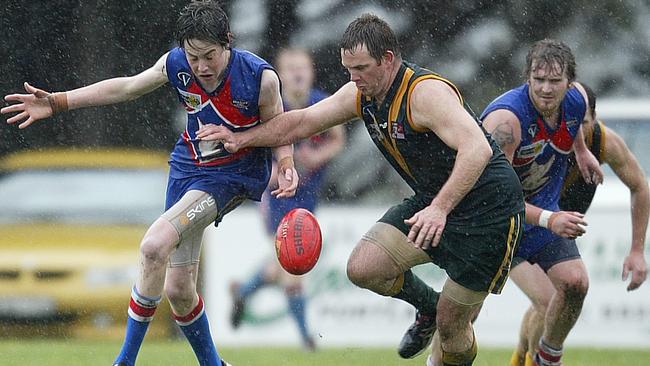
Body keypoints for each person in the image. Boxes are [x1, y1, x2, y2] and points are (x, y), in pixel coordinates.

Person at [197, 14, 525, 366]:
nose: (353, 78)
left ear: (388, 59)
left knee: (453, 327)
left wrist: (440, 209)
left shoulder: (424, 93)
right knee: (364, 267)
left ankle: (441, 326)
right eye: (348, 69)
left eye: (361, 68)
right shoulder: (361, 93)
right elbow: (303, 121)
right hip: (436, 201)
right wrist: (240, 139)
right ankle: (427, 308)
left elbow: (478, 149)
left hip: (490, 214)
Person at [1, 2, 299, 366]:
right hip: (187, 169)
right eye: (193, 57)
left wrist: (284, 161)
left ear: (228, 43)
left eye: (209, 56)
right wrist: (60, 102)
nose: (202, 66)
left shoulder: (259, 77)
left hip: (230, 177)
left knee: (153, 245)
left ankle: (124, 361)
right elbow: (127, 88)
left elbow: (281, 126)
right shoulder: (175, 64)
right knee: (178, 289)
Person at [480, 39, 606, 366]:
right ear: (527, 78)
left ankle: (546, 358)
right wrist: (551, 219)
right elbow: (499, 200)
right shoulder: (505, 123)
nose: (546, 89)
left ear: (570, 82)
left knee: (575, 284)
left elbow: (574, 119)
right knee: (459, 312)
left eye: (555, 81)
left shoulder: (577, 100)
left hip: (538, 209)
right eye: (539, 80)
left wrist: (581, 151)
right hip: (494, 221)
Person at [507, 83, 649, 366]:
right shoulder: (532, 132)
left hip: (553, 233)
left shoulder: (605, 142)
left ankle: (524, 358)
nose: (573, 131)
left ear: (594, 120)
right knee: (548, 302)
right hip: (516, 223)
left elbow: (640, 186)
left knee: (556, 298)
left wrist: (636, 250)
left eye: (582, 124)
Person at [228, 47, 345, 350]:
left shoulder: (322, 104)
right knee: (294, 269)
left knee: (277, 268)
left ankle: (244, 291)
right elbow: (253, 150)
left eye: (302, 67)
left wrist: (315, 156)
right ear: (279, 75)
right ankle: (307, 339)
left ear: (311, 72)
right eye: (290, 67)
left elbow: (338, 138)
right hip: (278, 201)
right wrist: (272, 172)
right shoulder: (270, 108)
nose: (297, 73)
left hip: (308, 199)